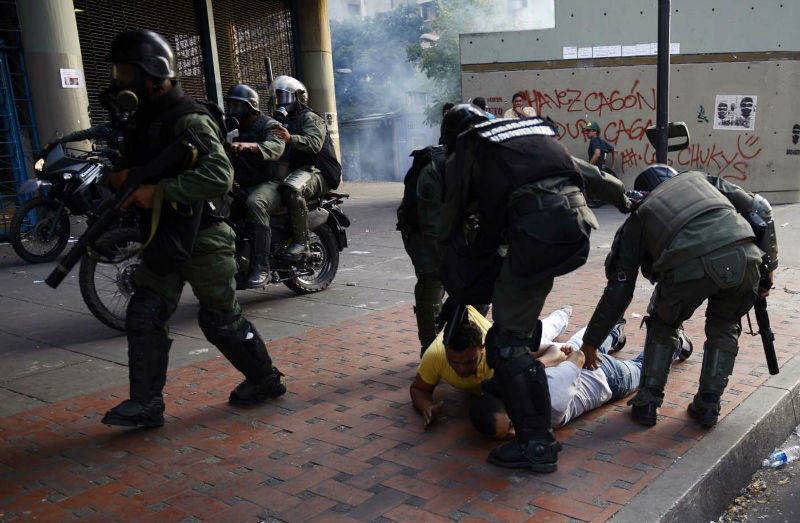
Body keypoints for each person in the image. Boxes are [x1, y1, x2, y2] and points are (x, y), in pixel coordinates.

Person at [100, 30, 285, 428]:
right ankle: (146, 405)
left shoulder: (190, 118)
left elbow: (219, 175)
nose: (120, 80)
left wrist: (160, 191)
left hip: (204, 237)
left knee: (220, 320)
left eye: (126, 71)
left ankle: (266, 379)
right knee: (145, 313)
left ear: (152, 74)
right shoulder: (145, 120)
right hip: (165, 235)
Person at [437, 104, 630, 472]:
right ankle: (525, 412)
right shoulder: (523, 136)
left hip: (535, 239)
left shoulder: (467, 151)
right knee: (517, 338)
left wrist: (455, 288)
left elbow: (450, 230)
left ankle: (536, 445)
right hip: (575, 232)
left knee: (506, 345)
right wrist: (625, 199)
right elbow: (586, 171)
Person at [579, 164, 779, 428]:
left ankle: (648, 403)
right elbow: (761, 207)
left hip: (687, 267)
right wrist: (769, 270)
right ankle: (708, 406)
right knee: (725, 326)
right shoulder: (699, 179)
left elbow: (620, 288)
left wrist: (592, 341)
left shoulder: (640, 214)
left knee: (664, 326)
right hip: (745, 256)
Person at [411, 306, 692, 438]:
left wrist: (547, 364)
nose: (514, 434)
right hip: (577, 372)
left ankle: (674, 343)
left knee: (643, 368)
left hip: (606, 376)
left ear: (483, 350)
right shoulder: (519, 390)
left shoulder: (548, 401)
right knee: (584, 344)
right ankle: (614, 330)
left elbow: (580, 355)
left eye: (511, 426)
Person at [269, 75, 342, 260]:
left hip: (319, 171)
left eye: (284, 97)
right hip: (297, 171)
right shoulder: (279, 122)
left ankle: (301, 243)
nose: (280, 103)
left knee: (292, 189)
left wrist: (289, 138)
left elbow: (314, 144)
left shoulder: (310, 118)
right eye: (277, 98)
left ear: (298, 97)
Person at [224, 84, 287, 287]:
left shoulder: (269, 125)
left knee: (255, 204)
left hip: (271, 183)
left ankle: (262, 266)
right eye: (230, 105)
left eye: (237, 106)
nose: (233, 110)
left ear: (250, 106)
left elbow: (276, 148)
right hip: (245, 183)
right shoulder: (235, 131)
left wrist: (249, 146)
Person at [397, 143, 447, 356]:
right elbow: (431, 226)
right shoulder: (435, 170)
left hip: (448, 227)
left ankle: (458, 343)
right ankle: (431, 353)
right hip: (421, 230)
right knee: (432, 280)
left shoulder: (479, 163)